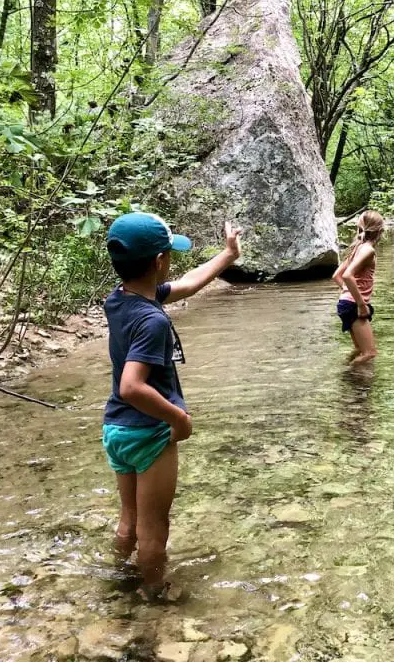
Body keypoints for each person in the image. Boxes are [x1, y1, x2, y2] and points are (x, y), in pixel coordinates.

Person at [101, 211, 241, 600]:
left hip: (116, 429)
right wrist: (178, 419)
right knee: (155, 527)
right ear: (160, 262)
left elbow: (190, 284)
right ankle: (153, 591)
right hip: (149, 432)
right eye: (169, 254)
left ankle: (117, 580)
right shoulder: (152, 320)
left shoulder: (119, 299)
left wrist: (228, 255)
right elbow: (132, 386)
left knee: (129, 520)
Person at [333, 210, 384, 364]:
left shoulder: (358, 247)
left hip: (346, 303)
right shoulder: (368, 250)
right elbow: (347, 275)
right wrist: (361, 304)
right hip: (354, 305)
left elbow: (336, 276)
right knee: (370, 353)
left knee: (359, 349)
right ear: (380, 231)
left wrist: (348, 294)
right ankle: (347, 373)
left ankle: (351, 375)